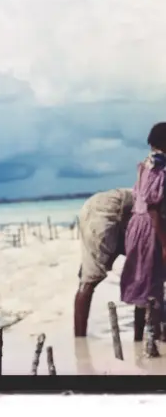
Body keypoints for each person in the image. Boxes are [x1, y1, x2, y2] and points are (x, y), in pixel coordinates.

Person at [120, 123, 166, 341]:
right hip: (151, 227)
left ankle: (141, 340)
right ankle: (156, 337)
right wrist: (164, 243)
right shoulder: (160, 167)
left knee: (143, 282)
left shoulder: (145, 166)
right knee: (155, 283)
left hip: (137, 226)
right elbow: (154, 206)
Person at [74, 187, 133, 337]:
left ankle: (79, 339)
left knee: (88, 277)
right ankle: (80, 341)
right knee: (89, 281)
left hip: (98, 206)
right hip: (110, 210)